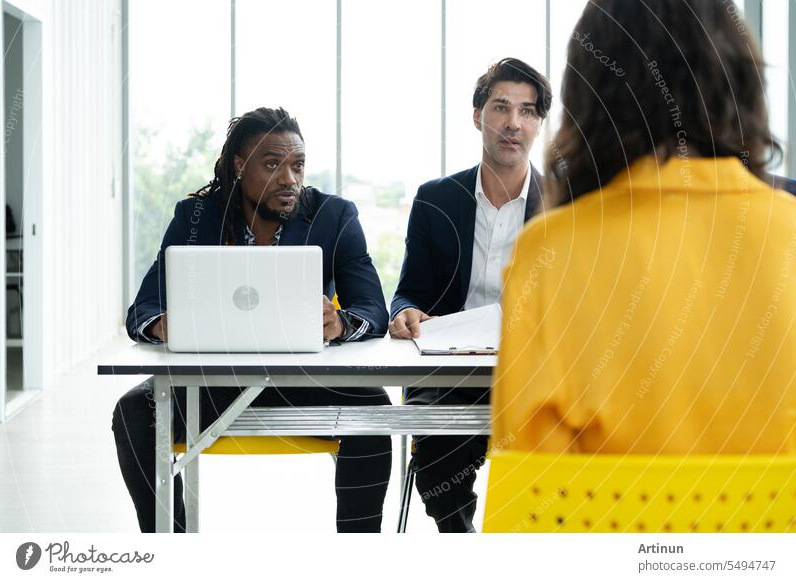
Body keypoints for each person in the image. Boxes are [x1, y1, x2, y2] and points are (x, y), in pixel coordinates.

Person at [494, 0, 796, 454]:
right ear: (742, 86)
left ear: (589, 97)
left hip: (610, 524)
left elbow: (532, 493)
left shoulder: (551, 252)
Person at [113, 107, 392, 532]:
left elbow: (374, 309)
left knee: (373, 412)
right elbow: (142, 310)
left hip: (306, 384)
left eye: (297, 165)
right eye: (272, 164)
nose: (289, 179)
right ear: (240, 166)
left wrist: (341, 323)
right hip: (211, 386)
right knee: (134, 413)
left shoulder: (334, 217)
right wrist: (161, 325)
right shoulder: (197, 218)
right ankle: (170, 550)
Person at [389, 58, 552, 532]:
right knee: (439, 453)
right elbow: (408, 292)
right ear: (477, 115)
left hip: (533, 372)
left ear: (540, 123)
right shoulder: (435, 199)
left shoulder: (569, 207)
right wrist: (405, 313)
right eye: (501, 107)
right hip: (449, 374)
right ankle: (462, 547)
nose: (512, 123)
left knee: (557, 452)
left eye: (527, 111)